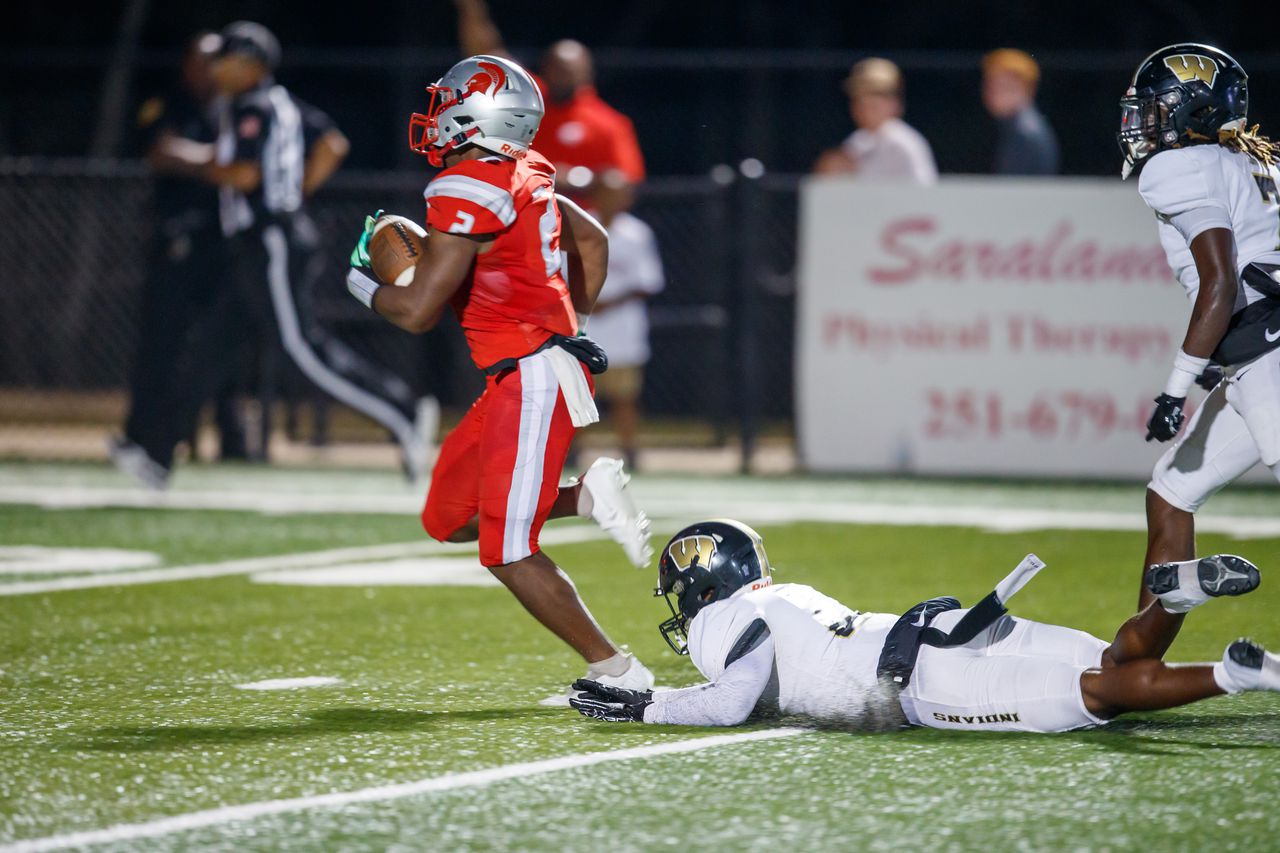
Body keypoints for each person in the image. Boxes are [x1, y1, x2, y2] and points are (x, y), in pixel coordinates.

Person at [344, 55, 655, 693]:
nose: (435, 116)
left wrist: (360, 283)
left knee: (508, 549)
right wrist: (574, 325)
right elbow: (592, 240)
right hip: (523, 374)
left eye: (448, 102)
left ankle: (617, 670)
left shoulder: (468, 185)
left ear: (480, 112)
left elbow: (418, 311)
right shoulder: (523, 169)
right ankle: (587, 497)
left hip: (533, 378)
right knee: (448, 517)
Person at [569, 520, 1274, 732]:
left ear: (701, 583)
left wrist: (648, 705)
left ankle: (1232, 673)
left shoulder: (725, 615)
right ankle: (1176, 600)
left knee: (1103, 692)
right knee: (1118, 653)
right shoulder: (785, 592)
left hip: (919, 675)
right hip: (943, 620)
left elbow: (730, 701)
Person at [193, 21, 436, 482]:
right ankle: (150, 444)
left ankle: (400, 410)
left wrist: (194, 164)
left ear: (249, 64)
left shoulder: (254, 107)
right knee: (210, 340)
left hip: (270, 237)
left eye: (225, 59)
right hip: (264, 237)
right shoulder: (280, 103)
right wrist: (296, 190)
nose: (217, 69)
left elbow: (245, 176)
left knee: (298, 350)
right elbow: (333, 143)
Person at [1118, 44, 1280, 617]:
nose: (1145, 120)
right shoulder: (1254, 162)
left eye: (1157, 107)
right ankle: (1136, 661)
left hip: (1268, 356)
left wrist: (1174, 390)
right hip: (1255, 355)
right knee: (1171, 492)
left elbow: (1218, 285)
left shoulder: (1178, 166)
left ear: (1192, 110)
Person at [110, 32, 247, 488]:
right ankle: (141, 436)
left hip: (222, 246)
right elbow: (160, 151)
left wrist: (215, 163)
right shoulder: (169, 103)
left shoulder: (236, 109)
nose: (212, 70)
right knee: (160, 344)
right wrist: (218, 163)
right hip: (176, 243)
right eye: (204, 61)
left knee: (217, 346)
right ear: (189, 64)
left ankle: (227, 439)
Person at [453, 0, 645, 188]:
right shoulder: (528, 98)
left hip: (582, 210)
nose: (561, 76)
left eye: (569, 71)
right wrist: (472, 8)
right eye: (556, 68)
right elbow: (488, 54)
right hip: (519, 199)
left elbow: (626, 180)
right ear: (545, 67)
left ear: (586, 73)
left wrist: (575, 178)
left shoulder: (608, 122)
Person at [580, 170, 665, 471]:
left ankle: (630, 452)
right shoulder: (577, 225)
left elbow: (648, 282)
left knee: (625, 396)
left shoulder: (636, 233)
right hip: (582, 327)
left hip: (622, 329)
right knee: (576, 396)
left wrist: (609, 302)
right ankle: (570, 454)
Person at [812, 58, 937, 184]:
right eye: (859, 95)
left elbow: (925, 196)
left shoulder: (904, 143)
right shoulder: (857, 141)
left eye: (876, 94)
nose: (865, 103)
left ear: (894, 101)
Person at [982, 48, 1060, 175]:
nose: (991, 93)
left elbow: (1010, 190)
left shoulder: (1024, 133)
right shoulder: (1016, 126)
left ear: (1026, 89)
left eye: (1003, 86)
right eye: (989, 85)